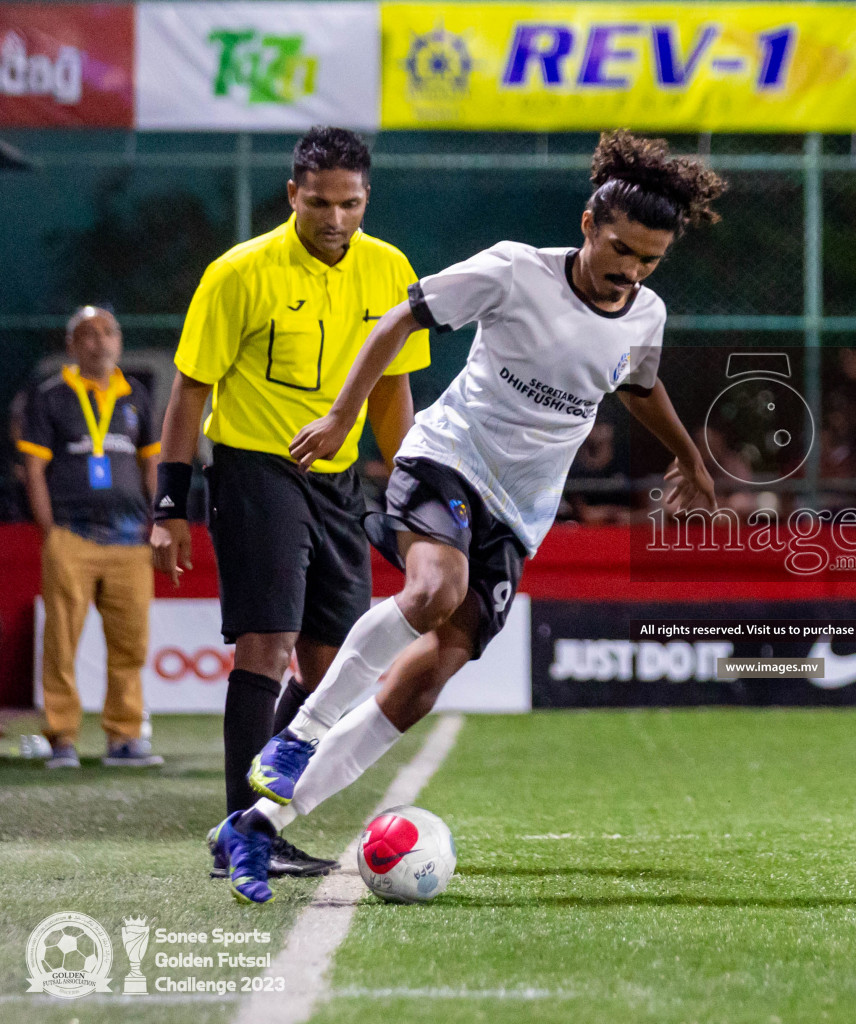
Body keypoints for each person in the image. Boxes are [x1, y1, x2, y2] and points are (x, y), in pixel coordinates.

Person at [209, 130, 726, 904]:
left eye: (650, 260)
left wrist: (691, 457)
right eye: (621, 249)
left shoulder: (644, 312)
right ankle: (298, 737)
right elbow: (395, 322)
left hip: (520, 512)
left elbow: (638, 383)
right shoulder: (514, 269)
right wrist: (343, 418)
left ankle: (253, 824)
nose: (631, 270)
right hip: (448, 458)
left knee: (434, 672)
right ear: (590, 222)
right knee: (432, 591)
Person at [152, 127, 429, 879]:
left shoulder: (389, 269)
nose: (335, 218)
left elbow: (394, 388)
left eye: (350, 203)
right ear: (291, 195)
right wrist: (169, 504)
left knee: (328, 664)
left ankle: (259, 819)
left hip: (338, 482)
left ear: (367, 198)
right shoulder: (239, 273)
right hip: (253, 471)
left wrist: (409, 492)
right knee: (266, 647)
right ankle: (240, 834)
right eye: (319, 203)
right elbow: (190, 387)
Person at [17, 306, 162, 769]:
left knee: (131, 645)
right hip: (71, 536)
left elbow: (151, 464)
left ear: (119, 341)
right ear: (72, 345)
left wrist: (160, 518)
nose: (98, 341)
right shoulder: (50, 397)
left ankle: (124, 739)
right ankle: (61, 739)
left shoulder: (136, 394)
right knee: (61, 642)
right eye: (87, 334)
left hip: (129, 537)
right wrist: (50, 530)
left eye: (106, 332)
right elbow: (33, 471)